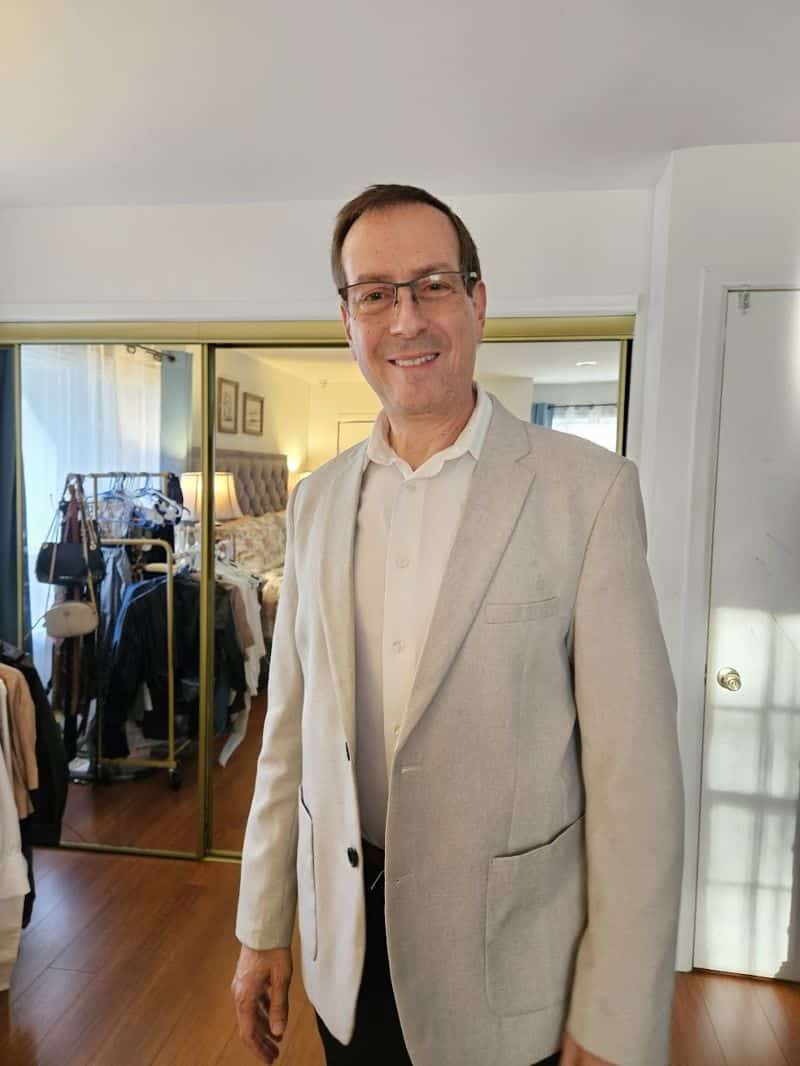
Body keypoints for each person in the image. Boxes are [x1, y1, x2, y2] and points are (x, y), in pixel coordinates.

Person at [232, 184, 684, 1066]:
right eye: (375, 293)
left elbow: (636, 781)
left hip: (509, 969)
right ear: (348, 320)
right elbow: (287, 736)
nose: (406, 319)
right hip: (345, 959)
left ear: (477, 301)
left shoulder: (589, 494)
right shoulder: (315, 502)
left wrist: (617, 1013)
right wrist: (261, 927)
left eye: (433, 284)